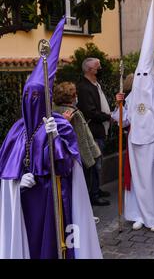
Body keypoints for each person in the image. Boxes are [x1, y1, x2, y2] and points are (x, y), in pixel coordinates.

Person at [0, 18, 102, 259]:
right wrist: (16, 184)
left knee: (54, 247)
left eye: (37, 96)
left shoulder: (60, 125)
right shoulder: (16, 131)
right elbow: (5, 170)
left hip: (54, 196)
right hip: (27, 201)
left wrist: (55, 138)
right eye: (28, 96)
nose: (32, 101)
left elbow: (68, 166)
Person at [114, 0, 154, 232]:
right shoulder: (133, 96)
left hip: (152, 147)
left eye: (144, 76)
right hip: (134, 145)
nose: (140, 80)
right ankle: (137, 214)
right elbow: (123, 120)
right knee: (136, 184)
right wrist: (117, 105)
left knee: (151, 183)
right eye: (138, 76)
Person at [53, 82, 101, 203]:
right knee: (82, 191)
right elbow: (82, 138)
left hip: (64, 157)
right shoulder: (74, 113)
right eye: (75, 94)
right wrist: (91, 159)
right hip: (79, 158)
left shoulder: (53, 110)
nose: (76, 97)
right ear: (72, 96)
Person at [77, 57, 111, 206]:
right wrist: (108, 117)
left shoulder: (94, 84)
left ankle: (97, 188)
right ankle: (94, 194)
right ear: (90, 70)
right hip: (94, 131)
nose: (100, 69)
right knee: (94, 164)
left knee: (99, 162)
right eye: (98, 67)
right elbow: (90, 112)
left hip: (100, 130)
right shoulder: (84, 88)